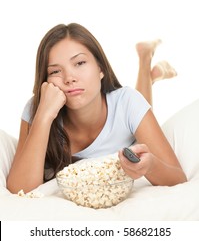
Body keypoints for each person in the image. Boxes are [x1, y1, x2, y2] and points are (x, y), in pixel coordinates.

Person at [7, 23, 187, 193]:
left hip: (128, 109)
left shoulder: (127, 102)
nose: (69, 78)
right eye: (55, 71)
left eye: (79, 63)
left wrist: (151, 166)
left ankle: (145, 58)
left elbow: (178, 178)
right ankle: (148, 70)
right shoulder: (37, 109)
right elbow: (19, 189)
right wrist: (44, 116)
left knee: (138, 101)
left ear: (100, 68)